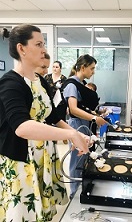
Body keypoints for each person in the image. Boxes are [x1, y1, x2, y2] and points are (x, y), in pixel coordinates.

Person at [0, 24, 90, 222]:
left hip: (43, 156)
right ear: (21, 49)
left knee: (43, 214)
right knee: (24, 214)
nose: (44, 50)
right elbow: (22, 127)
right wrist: (71, 134)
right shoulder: (10, 83)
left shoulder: (40, 81)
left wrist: (78, 135)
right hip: (22, 161)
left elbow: (52, 118)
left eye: (44, 44)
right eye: (39, 44)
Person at [63, 54, 107, 198]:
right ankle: (74, 193)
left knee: (85, 158)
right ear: (83, 67)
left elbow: (83, 108)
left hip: (85, 124)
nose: (93, 72)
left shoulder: (80, 85)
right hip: (77, 125)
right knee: (77, 159)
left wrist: (97, 114)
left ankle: (83, 186)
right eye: (92, 68)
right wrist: (94, 117)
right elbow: (74, 109)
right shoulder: (71, 85)